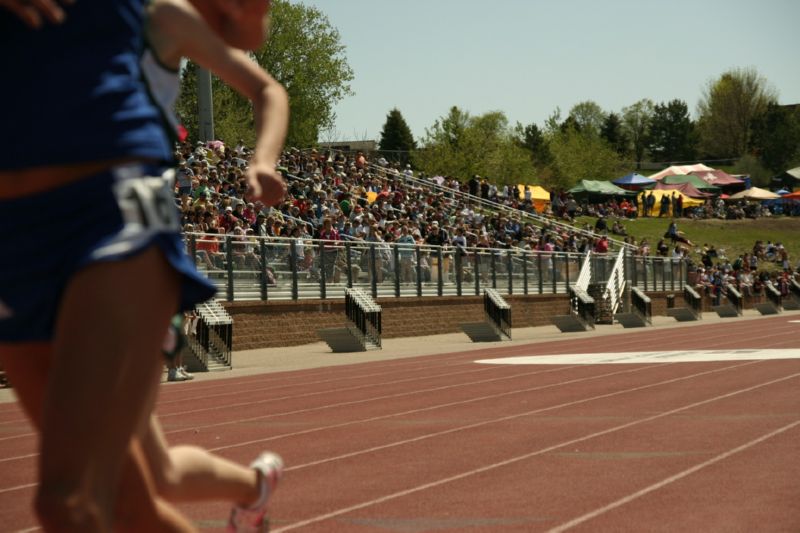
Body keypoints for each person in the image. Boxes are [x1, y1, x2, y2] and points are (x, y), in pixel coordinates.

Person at [0, 0, 286, 531]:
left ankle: (255, 486)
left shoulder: (163, 17)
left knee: (73, 500)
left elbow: (256, 42)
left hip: (117, 216)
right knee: (140, 494)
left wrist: (262, 161)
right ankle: (256, 486)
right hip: (17, 234)